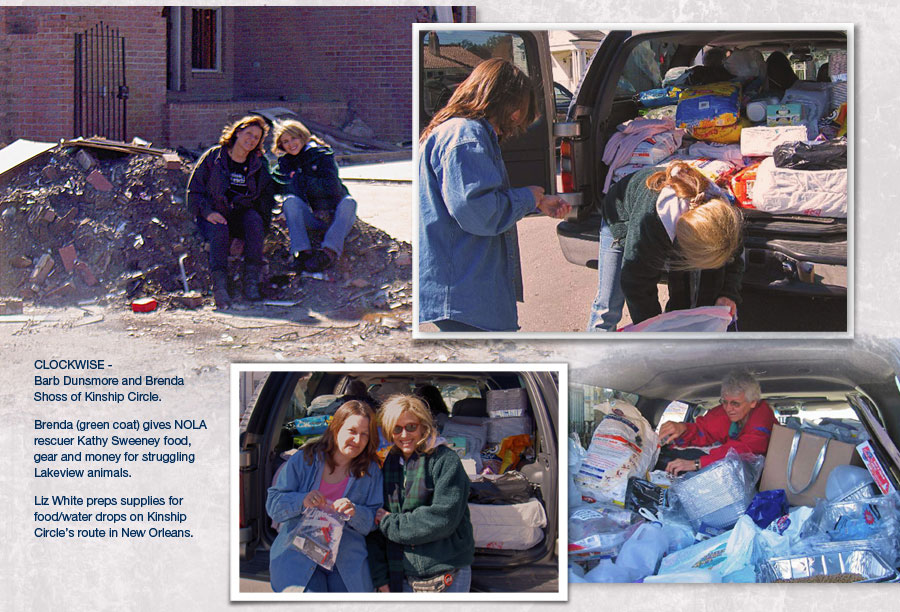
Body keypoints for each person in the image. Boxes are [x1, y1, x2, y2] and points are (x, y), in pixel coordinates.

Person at [418, 58, 571, 332]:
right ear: (508, 104)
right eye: (519, 113)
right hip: (468, 298)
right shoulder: (467, 136)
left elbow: (475, 199)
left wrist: (536, 202)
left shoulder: (457, 132)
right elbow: (480, 212)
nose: (515, 123)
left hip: (464, 295)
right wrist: (528, 197)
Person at [588, 160, 744, 331]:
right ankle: (595, 351)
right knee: (609, 304)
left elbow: (733, 259)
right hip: (621, 212)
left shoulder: (723, 217)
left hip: (672, 224)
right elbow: (636, 282)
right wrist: (655, 332)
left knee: (687, 288)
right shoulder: (652, 219)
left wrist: (728, 294)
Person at [266, 400, 383, 592]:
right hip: (298, 553)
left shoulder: (371, 472)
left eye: (364, 435)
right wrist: (302, 501)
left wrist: (355, 511)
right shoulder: (304, 459)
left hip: (346, 561)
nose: (357, 440)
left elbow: (372, 521)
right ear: (336, 428)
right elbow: (274, 507)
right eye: (352, 431)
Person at [368, 395, 474, 593]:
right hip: (403, 574)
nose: (404, 435)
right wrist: (381, 578)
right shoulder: (390, 462)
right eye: (397, 429)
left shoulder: (445, 461)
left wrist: (391, 523)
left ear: (423, 426)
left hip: (448, 570)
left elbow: (443, 518)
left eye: (411, 427)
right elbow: (376, 524)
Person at [186, 115, 276, 309]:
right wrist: (207, 212)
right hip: (213, 213)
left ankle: (251, 282)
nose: (251, 140)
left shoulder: (258, 164)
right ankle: (220, 287)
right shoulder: (214, 157)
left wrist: (262, 224)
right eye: (248, 134)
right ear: (237, 132)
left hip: (240, 214)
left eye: (256, 138)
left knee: (254, 221)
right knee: (219, 230)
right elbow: (194, 190)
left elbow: (265, 199)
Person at [271, 119, 357, 273]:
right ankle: (302, 253)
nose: (291, 144)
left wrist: (302, 178)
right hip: (313, 218)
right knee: (290, 201)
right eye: (285, 141)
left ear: (302, 136)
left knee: (350, 202)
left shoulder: (322, 156)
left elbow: (332, 187)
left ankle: (328, 253)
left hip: (336, 217)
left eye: (294, 138)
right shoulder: (285, 164)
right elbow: (274, 185)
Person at [658, 370, 777, 475]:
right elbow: (703, 430)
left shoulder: (762, 417)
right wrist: (683, 429)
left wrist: (697, 464)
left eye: (735, 404)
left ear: (753, 402)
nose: (728, 409)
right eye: (724, 402)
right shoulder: (722, 412)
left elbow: (746, 449)